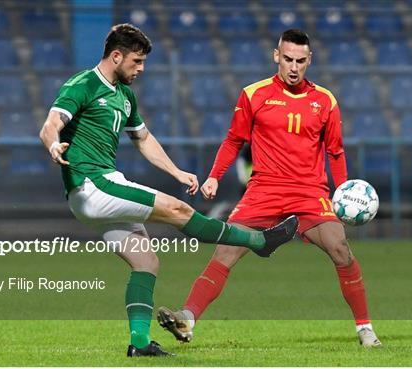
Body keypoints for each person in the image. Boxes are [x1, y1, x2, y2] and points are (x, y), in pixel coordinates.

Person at [38, 23, 298, 358]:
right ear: (116, 56)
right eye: (136, 61)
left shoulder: (124, 95)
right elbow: (51, 124)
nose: (141, 69)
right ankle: (260, 242)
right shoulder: (84, 83)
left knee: (146, 261)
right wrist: (53, 145)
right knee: (179, 211)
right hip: (93, 184)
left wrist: (176, 171)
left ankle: (140, 344)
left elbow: (143, 139)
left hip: (99, 192)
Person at [157, 29, 382, 348]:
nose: (293, 67)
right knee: (225, 251)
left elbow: (335, 151)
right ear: (276, 56)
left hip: (309, 192)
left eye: (301, 61)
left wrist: (341, 191)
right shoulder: (254, 94)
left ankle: (365, 329)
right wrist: (214, 176)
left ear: (309, 61)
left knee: (340, 249)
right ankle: (187, 318)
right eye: (288, 59)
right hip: (263, 191)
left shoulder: (325, 101)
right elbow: (234, 139)